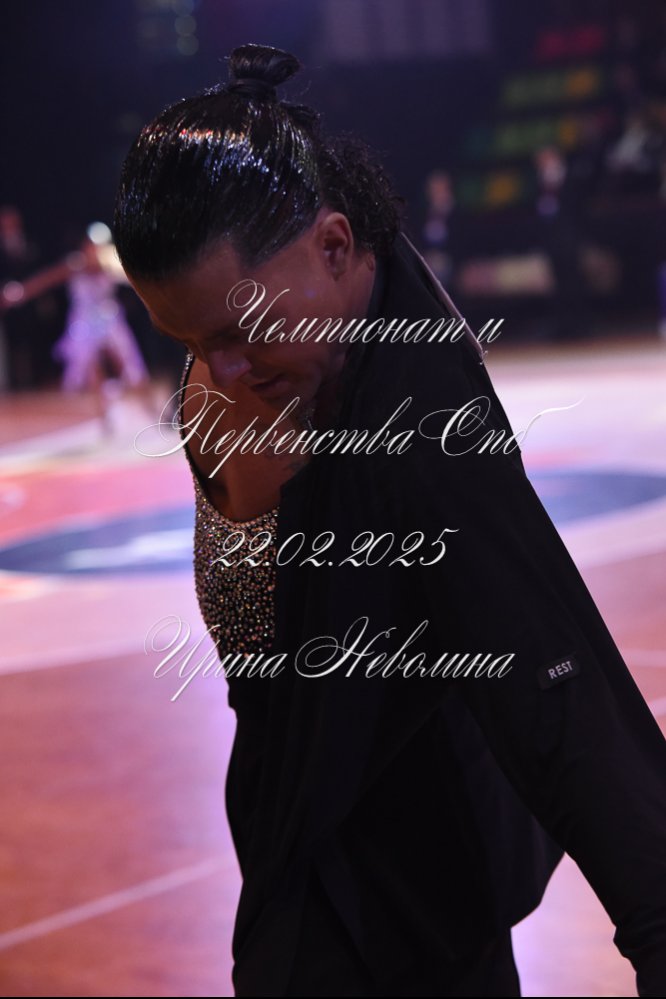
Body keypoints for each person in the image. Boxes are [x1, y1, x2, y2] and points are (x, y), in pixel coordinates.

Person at [113, 44, 666, 997]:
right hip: (292, 846)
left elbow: (555, 687)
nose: (220, 372)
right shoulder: (274, 342)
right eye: (190, 342)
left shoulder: (423, 426)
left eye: (238, 333)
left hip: (418, 906)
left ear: (336, 248)